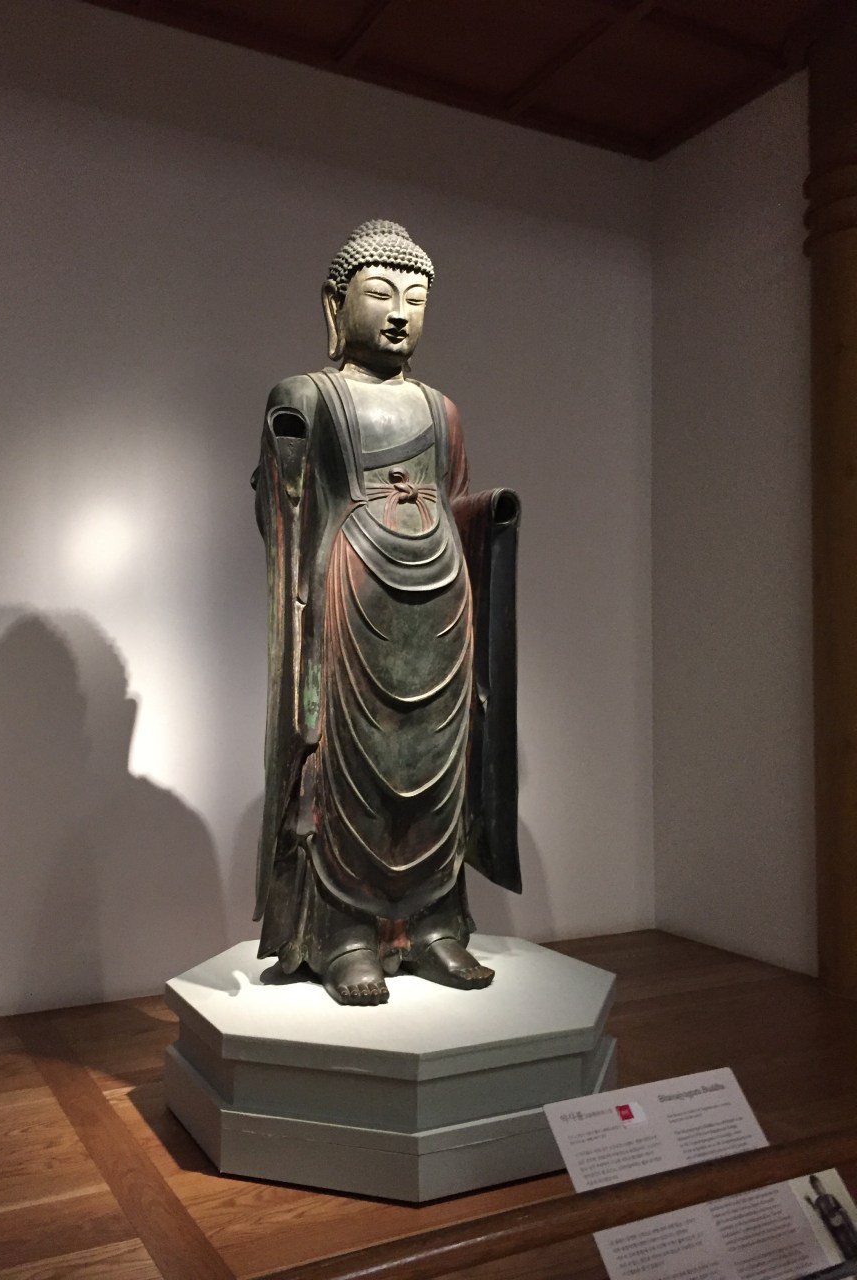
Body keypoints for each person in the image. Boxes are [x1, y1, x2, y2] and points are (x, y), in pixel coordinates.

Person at [252, 220, 520, 1005]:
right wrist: (283, 467)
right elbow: (286, 509)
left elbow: (452, 494)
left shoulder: (441, 409)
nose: (400, 311)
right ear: (336, 303)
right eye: (380, 292)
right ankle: (343, 934)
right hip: (351, 595)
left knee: (437, 767)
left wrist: (488, 514)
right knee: (348, 766)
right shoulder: (308, 395)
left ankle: (435, 926)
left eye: (417, 297)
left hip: (442, 601)